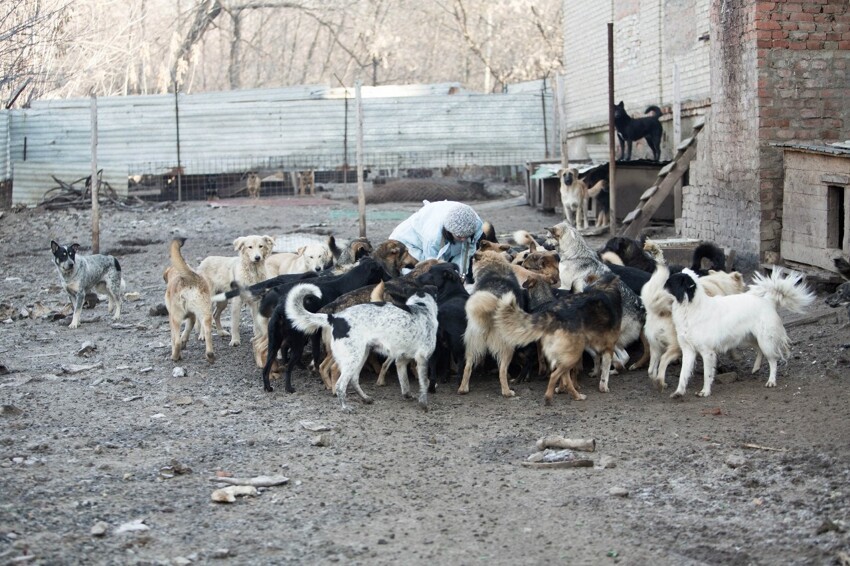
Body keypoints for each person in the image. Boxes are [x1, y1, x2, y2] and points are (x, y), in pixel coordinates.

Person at [388, 200, 484, 274]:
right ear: (449, 231)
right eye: (459, 236)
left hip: (441, 233)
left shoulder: (475, 223)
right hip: (410, 241)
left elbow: (465, 252)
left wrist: (459, 274)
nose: (463, 239)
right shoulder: (433, 237)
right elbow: (431, 263)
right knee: (418, 270)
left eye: (466, 236)